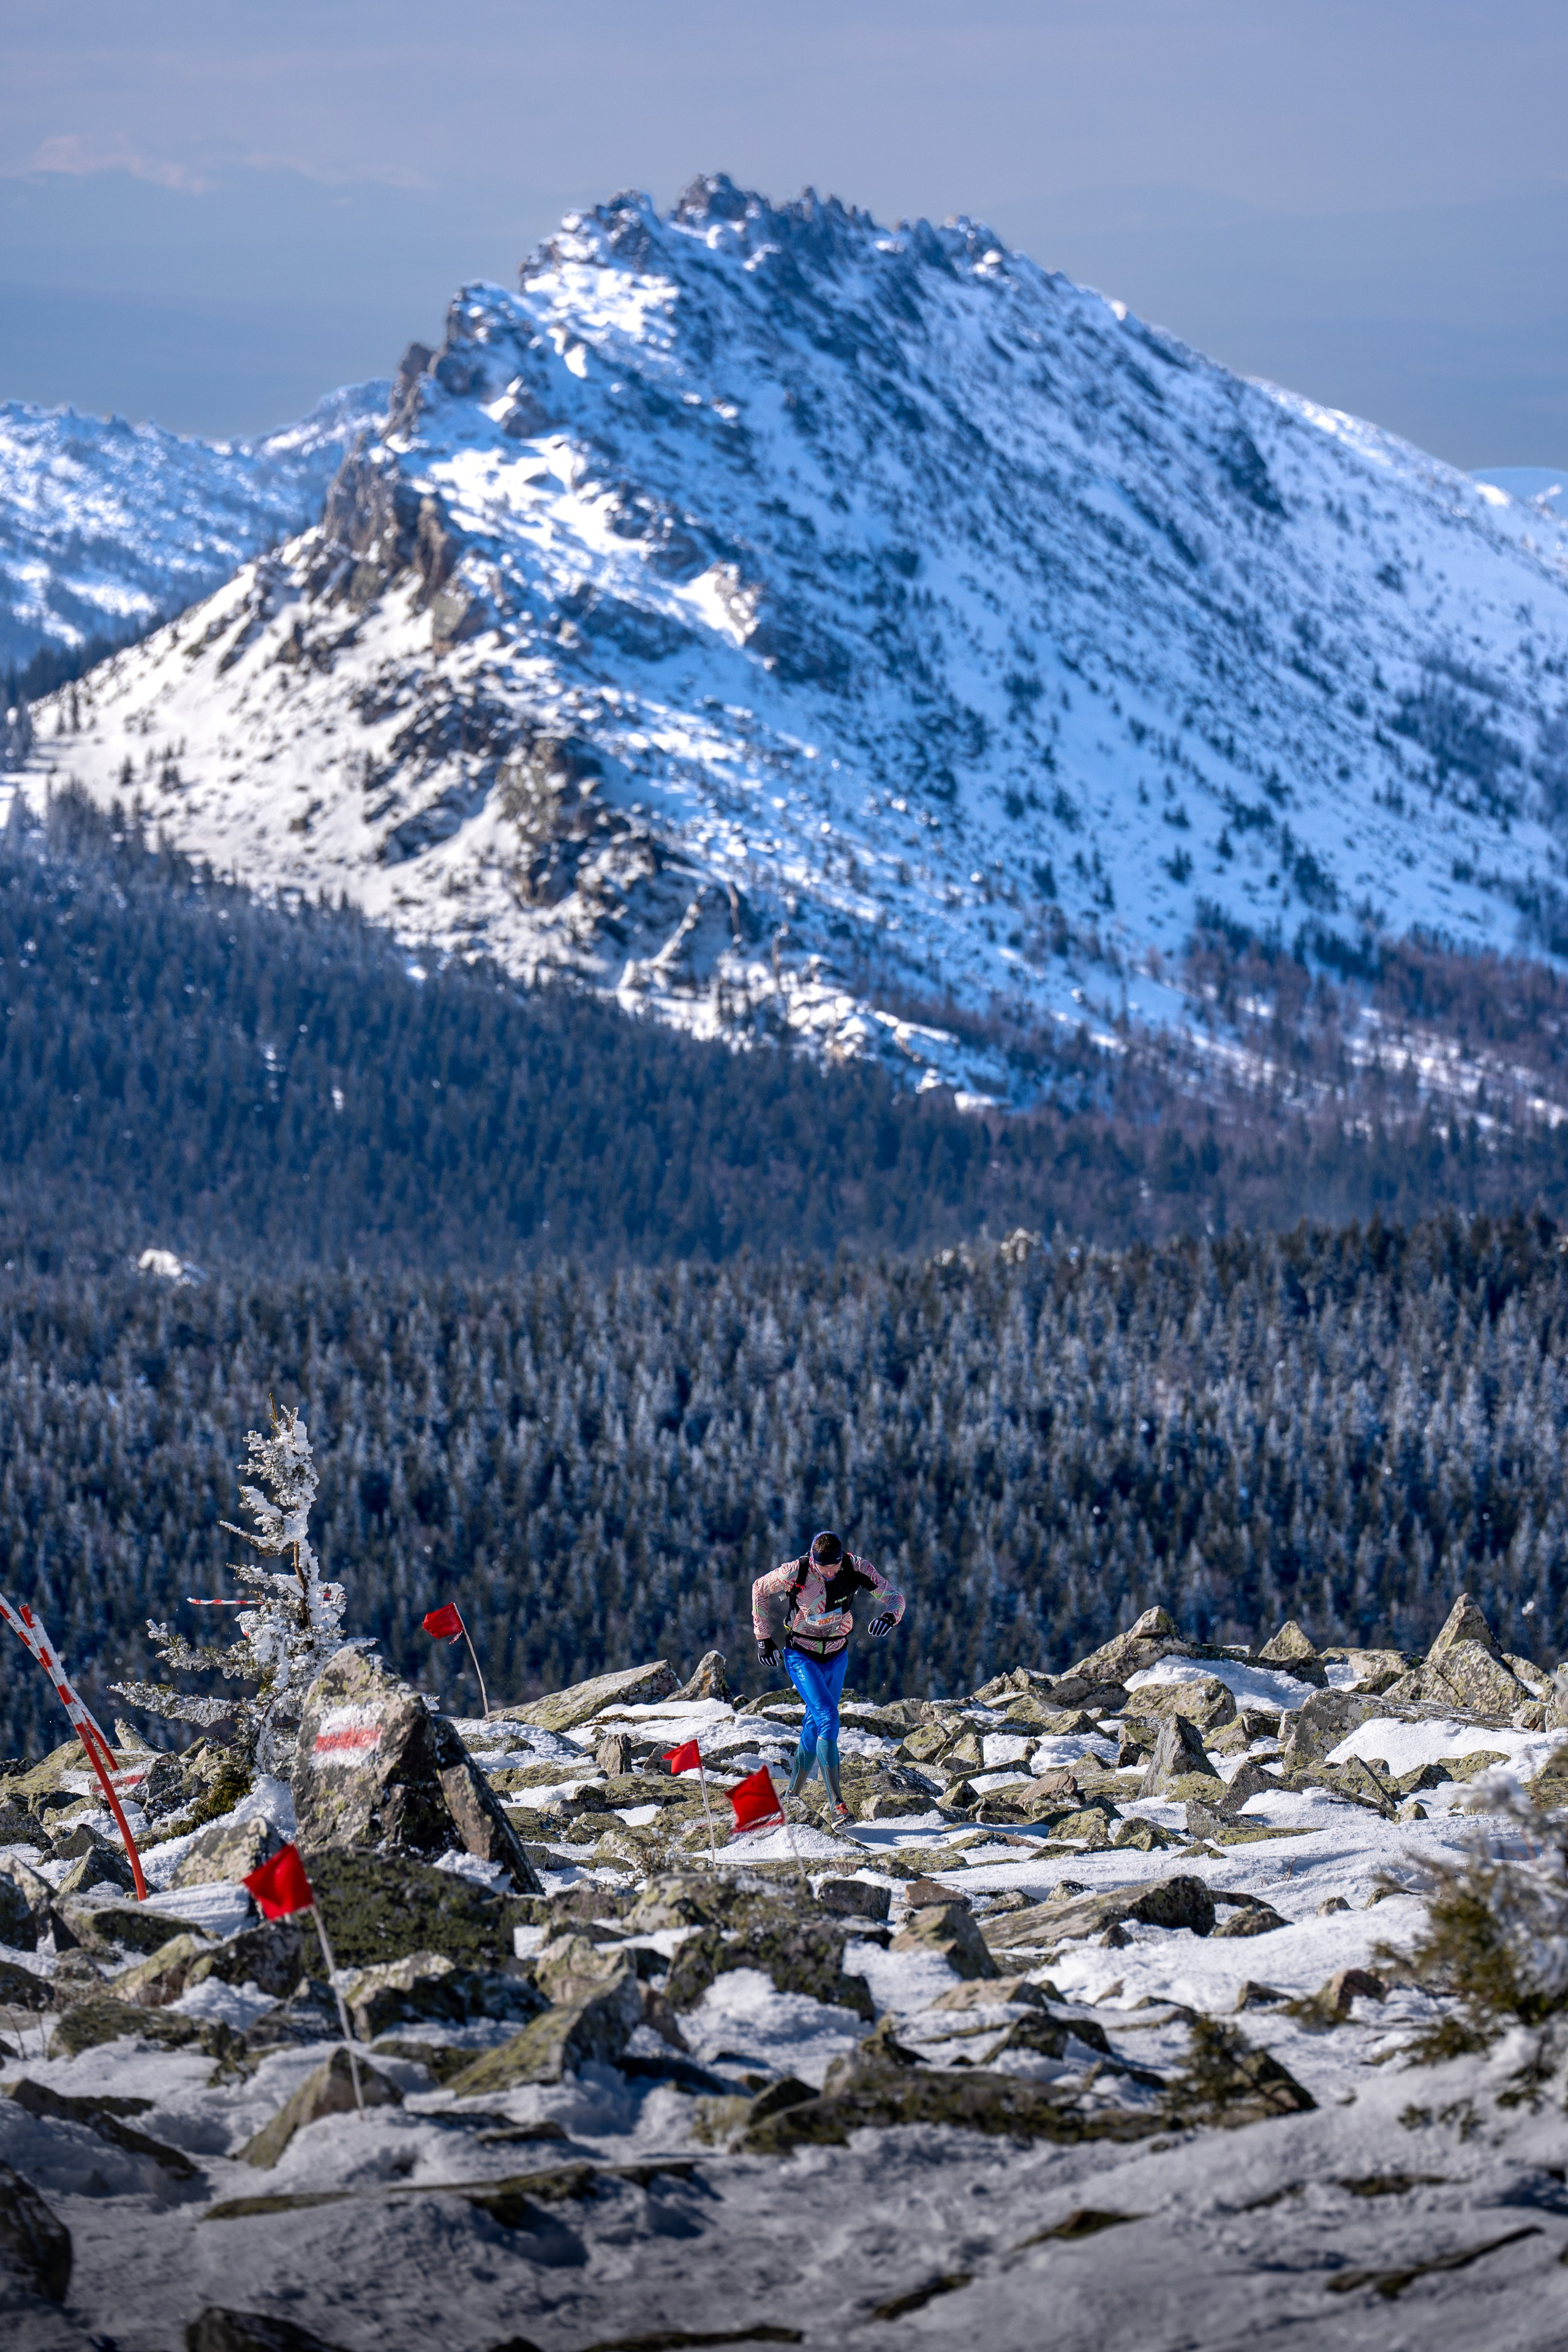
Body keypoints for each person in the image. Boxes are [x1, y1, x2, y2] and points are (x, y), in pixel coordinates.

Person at [752, 1531, 903, 1823]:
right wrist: (763, 1638)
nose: (831, 1572)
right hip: (801, 1654)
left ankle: (792, 1796)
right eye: (825, 1567)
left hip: (837, 1655)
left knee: (815, 1721)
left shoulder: (856, 1568)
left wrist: (889, 1617)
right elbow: (759, 1588)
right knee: (828, 1717)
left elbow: (895, 1597)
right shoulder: (796, 1571)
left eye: (835, 1565)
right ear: (813, 1560)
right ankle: (837, 1804)